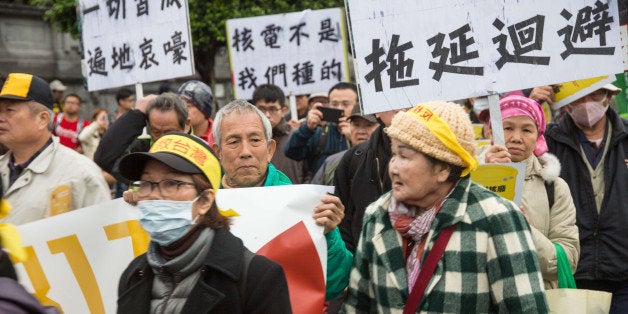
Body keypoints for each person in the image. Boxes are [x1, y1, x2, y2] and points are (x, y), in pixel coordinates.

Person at [343, 101, 547, 313]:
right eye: (394, 154)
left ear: (442, 169)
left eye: (405, 156)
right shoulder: (378, 214)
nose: (393, 167)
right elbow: (357, 306)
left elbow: (527, 308)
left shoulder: (495, 218)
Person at [117, 132, 291, 313]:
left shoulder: (257, 277)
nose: (153, 195)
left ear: (205, 200)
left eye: (170, 183)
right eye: (145, 183)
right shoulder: (133, 275)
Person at [211, 99, 352, 301]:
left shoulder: (302, 206)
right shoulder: (205, 205)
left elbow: (333, 285)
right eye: (233, 142)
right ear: (218, 152)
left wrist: (328, 235)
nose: (245, 152)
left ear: (270, 149)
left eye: (255, 140)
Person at [481, 95, 580, 289]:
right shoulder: (464, 178)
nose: (516, 138)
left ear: (538, 137)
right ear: (490, 132)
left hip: (535, 298)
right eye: (507, 128)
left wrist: (525, 229)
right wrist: (484, 177)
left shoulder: (554, 187)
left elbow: (568, 261)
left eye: (527, 130)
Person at [545, 84, 628, 313]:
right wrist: (534, 104)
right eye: (579, 96)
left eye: (594, 94)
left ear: (609, 96)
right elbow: (519, 164)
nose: (586, 103)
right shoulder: (549, 141)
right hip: (571, 272)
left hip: (623, 270)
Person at [0, 73, 110, 224]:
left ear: (42, 119)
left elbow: (103, 238)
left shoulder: (81, 173)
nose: (1, 117)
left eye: (9, 110)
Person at [334, 108, 403, 253]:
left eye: (367, 126)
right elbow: (341, 216)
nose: (401, 106)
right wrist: (354, 261)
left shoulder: (438, 153)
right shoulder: (354, 157)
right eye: (357, 125)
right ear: (377, 111)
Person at [94, 92, 189, 184]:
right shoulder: (141, 150)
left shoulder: (199, 152)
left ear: (186, 125)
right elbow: (104, 158)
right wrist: (137, 115)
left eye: (169, 132)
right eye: (156, 132)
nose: (162, 139)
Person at [284, 82, 356, 176]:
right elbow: (291, 152)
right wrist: (307, 128)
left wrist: (354, 140)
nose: (339, 108)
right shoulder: (320, 132)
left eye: (345, 104)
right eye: (334, 104)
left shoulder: (367, 131)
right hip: (322, 189)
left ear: (358, 104)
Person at [253, 84, 308, 183]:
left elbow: (310, 172)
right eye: (261, 109)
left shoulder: (297, 137)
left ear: (283, 111)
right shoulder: (247, 140)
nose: (267, 115)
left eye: (272, 109)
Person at [311, 104, 378, 185]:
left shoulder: (388, 161)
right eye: (356, 125)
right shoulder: (332, 162)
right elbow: (316, 193)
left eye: (369, 125)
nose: (361, 131)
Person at [178, 80, 216, 146]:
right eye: (179, 104)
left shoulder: (219, 135)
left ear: (204, 109)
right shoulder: (173, 134)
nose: (182, 109)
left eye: (188, 105)